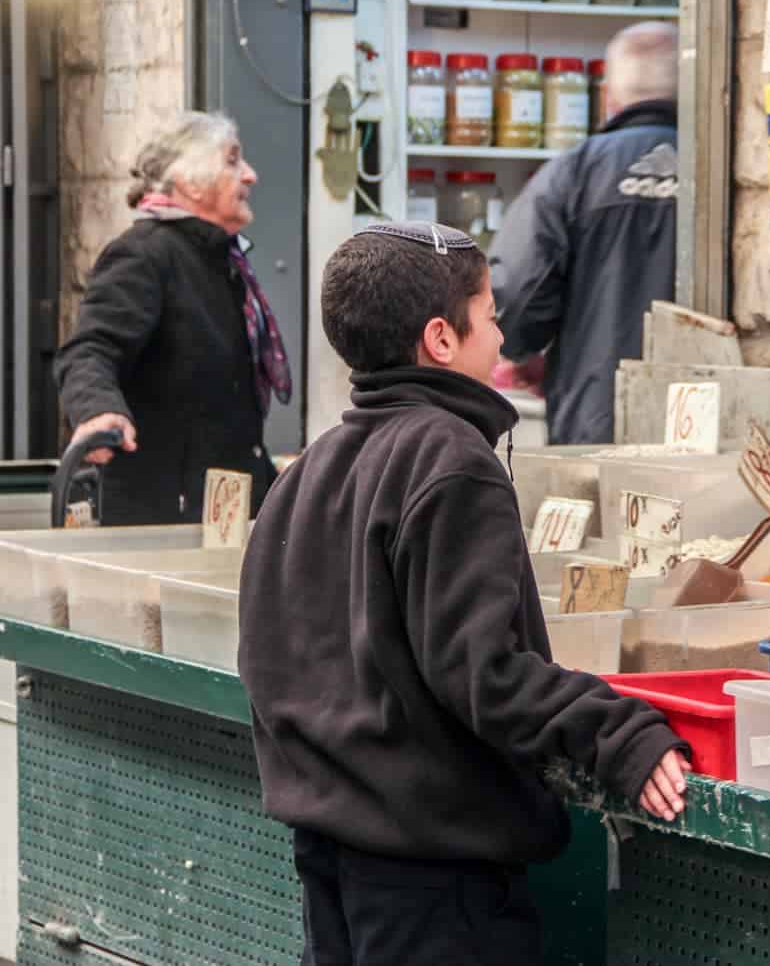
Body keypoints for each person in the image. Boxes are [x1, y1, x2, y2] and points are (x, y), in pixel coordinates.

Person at [238, 222, 690, 964]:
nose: (504, 328)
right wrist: (618, 732)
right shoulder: (451, 459)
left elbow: (266, 657)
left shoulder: (308, 468)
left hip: (330, 858)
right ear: (441, 338)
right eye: (490, 311)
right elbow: (483, 672)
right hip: (433, 884)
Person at [54, 112, 288, 525]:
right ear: (189, 182)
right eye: (233, 161)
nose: (250, 175)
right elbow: (90, 348)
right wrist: (97, 410)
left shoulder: (221, 260)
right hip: (166, 515)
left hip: (221, 508)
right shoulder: (144, 255)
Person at [495, 21, 679, 444]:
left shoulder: (574, 172)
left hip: (594, 424)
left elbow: (518, 301)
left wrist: (524, 352)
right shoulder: (723, 170)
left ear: (607, 96)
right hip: (704, 424)